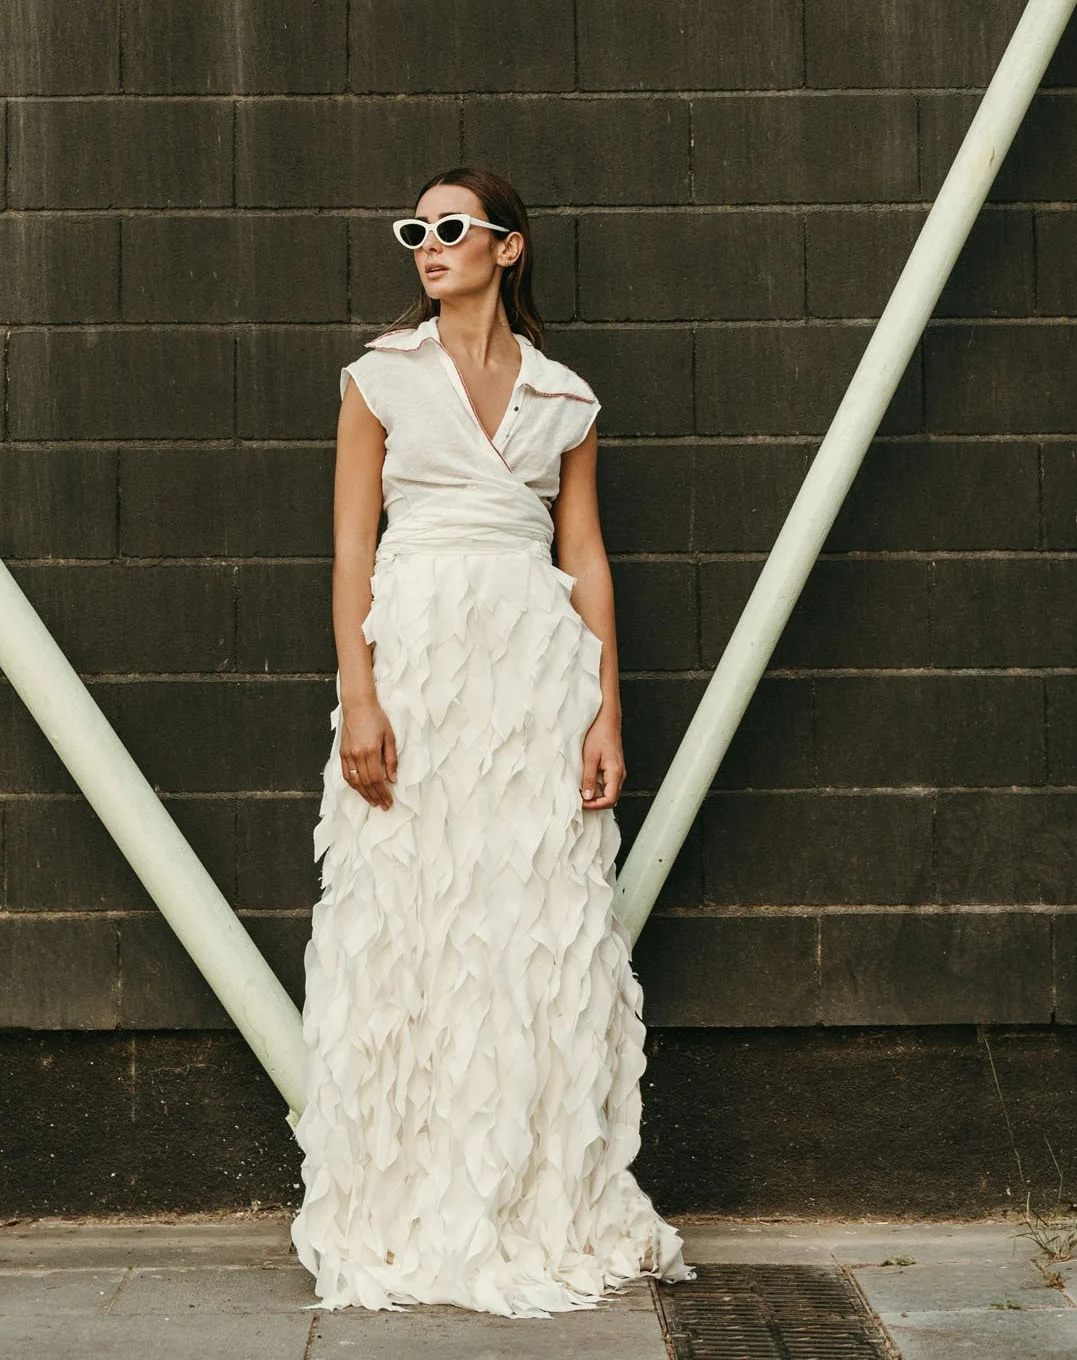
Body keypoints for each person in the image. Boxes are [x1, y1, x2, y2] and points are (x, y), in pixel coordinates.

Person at [289, 164, 695, 1317]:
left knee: (527, 924)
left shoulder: (564, 399)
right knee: (414, 914)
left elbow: (588, 558)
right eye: (415, 228)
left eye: (451, 227)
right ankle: (405, 1195)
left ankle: (529, 1194)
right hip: (417, 666)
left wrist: (605, 711)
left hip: (530, 676)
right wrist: (357, 698)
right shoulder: (378, 380)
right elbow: (350, 554)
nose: (428, 244)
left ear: (506, 248)